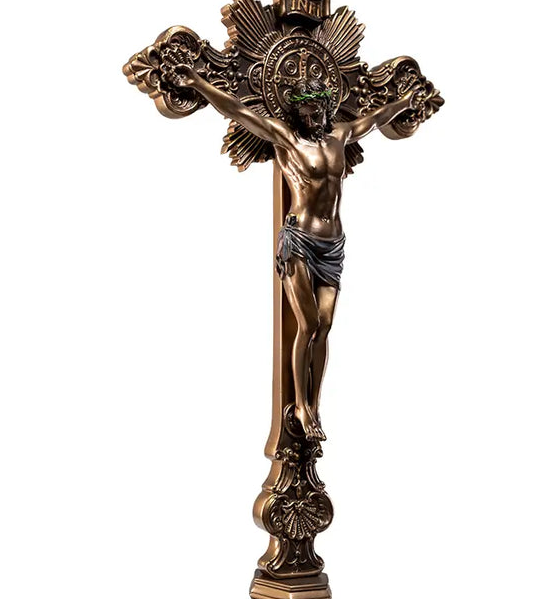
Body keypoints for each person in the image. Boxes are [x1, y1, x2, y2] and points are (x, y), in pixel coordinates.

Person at [173, 64, 416, 440]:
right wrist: (198, 83)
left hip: (333, 243)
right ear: (296, 111)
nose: (315, 117)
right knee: (309, 323)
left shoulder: (339, 136)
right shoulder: (286, 139)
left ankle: (315, 405)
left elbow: (373, 119)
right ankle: (300, 404)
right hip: (300, 240)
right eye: (308, 111)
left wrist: (403, 102)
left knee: (326, 325)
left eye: (319, 109)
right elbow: (238, 110)